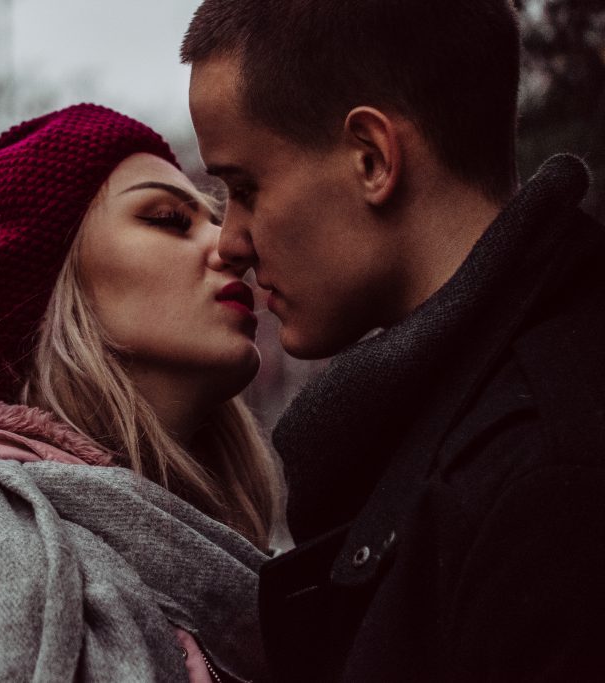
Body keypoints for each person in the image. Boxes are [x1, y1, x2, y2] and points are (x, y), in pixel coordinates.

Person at [181, 1, 605, 680]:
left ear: (372, 158)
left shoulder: (546, 483)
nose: (231, 241)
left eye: (246, 187)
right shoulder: (492, 431)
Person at [0, 103, 285, 682]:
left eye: (214, 217)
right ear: (53, 294)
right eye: (169, 219)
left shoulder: (190, 553)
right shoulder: (0, 556)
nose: (232, 246)